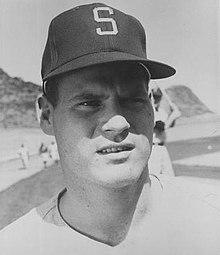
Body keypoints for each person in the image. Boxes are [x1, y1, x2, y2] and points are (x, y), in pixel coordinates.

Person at [1, 3, 219, 254]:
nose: (118, 123)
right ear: (47, 115)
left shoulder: (212, 220)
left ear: (151, 103)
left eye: (132, 99)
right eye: (88, 103)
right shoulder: (15, 246)